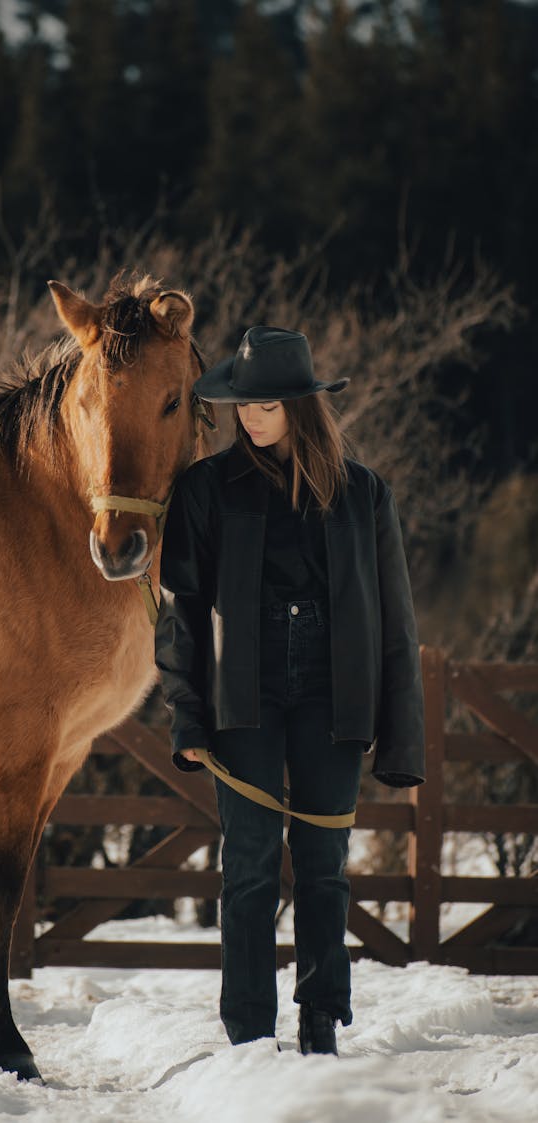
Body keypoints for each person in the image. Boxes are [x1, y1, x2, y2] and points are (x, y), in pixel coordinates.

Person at [154, 326, 425, 1056]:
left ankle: (319, 1022)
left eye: (266, 404)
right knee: (246, 864)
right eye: (243, 404)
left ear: (301, 407)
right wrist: (186, 716)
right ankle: (248, 1035)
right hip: (242, 690)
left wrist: (401, 737)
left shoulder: (363, 493)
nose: (250, 417)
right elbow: (179, 611)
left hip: (333, 695)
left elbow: (395, 624)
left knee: (323, 864)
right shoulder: (206, 490)